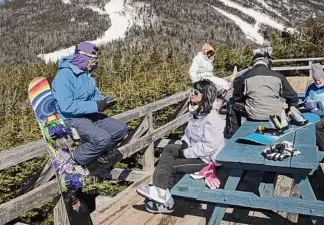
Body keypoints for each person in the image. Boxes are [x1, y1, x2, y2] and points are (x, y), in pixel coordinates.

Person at [136, 79, 225, 214]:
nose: (191, 95)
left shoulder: (212, 118)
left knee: (171, 165)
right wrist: (184, 144)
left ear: (205, 96)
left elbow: (210, 146)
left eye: (196, 92)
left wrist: (186, 153)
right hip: (195, 152)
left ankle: (166, 200)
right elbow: (188, 134)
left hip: (207, 160)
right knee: (169, 148)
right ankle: (160, 190)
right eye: (191, 91)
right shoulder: (196, 112)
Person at [51, 41, 128, 172]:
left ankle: (99, 155)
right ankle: (75, 161)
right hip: (71, 118)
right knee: (102, 138)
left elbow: (94, 95)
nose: (95, 62)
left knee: (120, 129)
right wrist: (95, 106)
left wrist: (105, 101)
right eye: (93, 59)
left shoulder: (86, 74)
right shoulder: (64, 76)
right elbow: (67, 106)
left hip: (89, 114)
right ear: (83, 57)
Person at [224, 47, 299, 138]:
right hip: (275, 114)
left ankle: (232, 134)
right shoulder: (279, 77)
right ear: (267, 62)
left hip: (254, 114)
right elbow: (293, 97)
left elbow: (236, 98)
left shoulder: (243, 77)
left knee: (231, 104)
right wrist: (292, 111)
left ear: (253, 63)